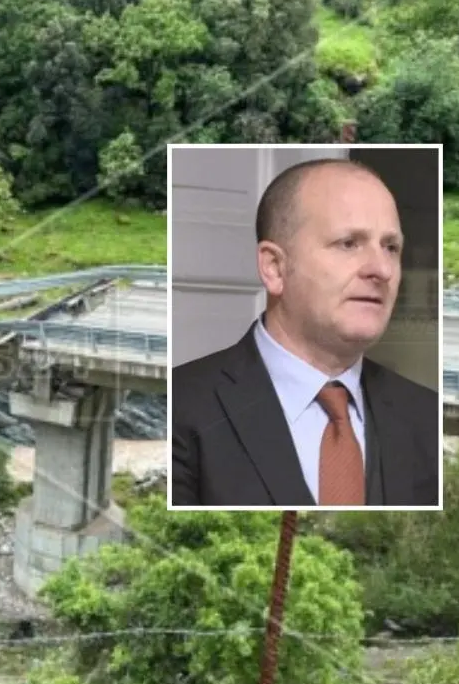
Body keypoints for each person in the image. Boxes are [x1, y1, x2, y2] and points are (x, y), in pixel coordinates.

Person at [171, 158, 440, 508]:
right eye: (348, 243)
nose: (381, 269)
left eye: (391, 247)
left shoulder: (425, 416)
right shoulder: (182, 406)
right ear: (275, 267)